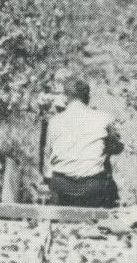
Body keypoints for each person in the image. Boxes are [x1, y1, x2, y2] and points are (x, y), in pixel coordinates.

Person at [43, 77, 123, 208]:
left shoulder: (54, 122)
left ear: (65, 98)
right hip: (92, 188)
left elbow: (49, 153)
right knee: (106, 167)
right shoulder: (104, 118)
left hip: (62, 187)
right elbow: (117, 148)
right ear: (87, 97)